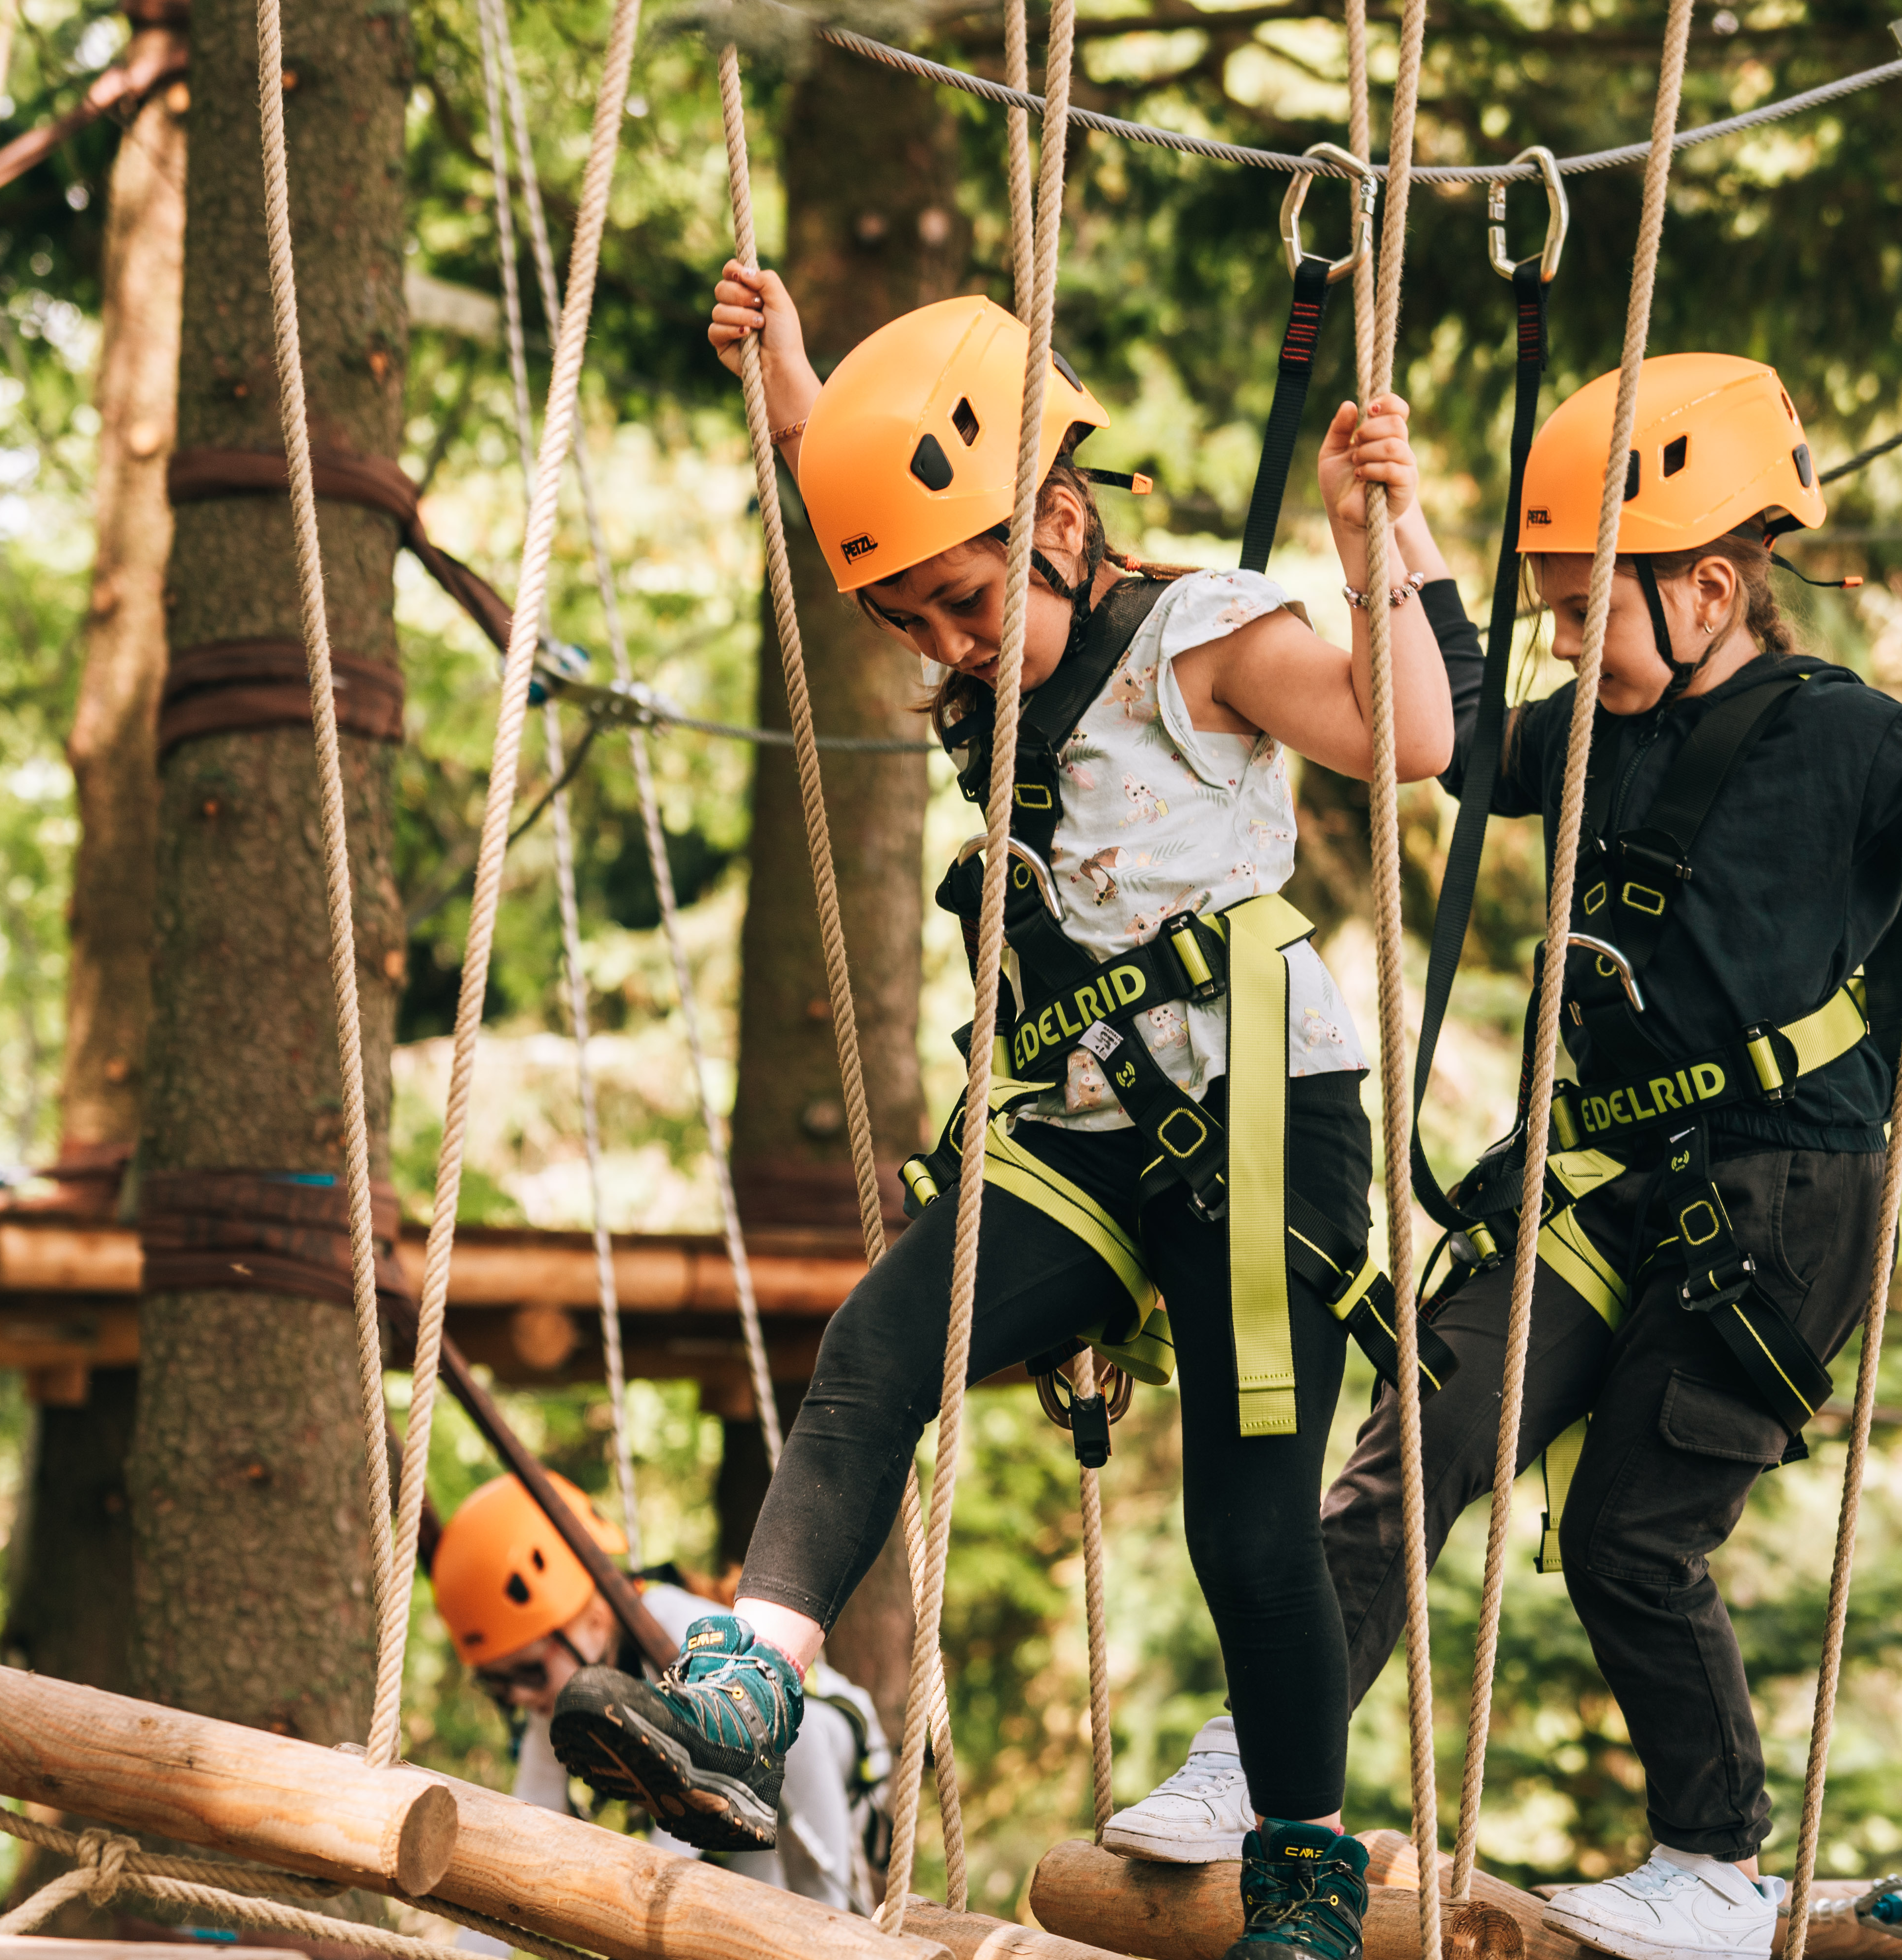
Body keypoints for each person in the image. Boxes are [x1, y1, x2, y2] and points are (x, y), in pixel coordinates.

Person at [1099, 353, 1902, 1960]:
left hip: (1788, 1199)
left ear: (1709, 587)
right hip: (1609, 1179)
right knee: (1416, 1435)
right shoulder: (1589, 730)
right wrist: (1394, 543)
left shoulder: (1851, 743)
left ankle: (1711, 1859)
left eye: (1586, 610)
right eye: (1552, 610)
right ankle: (1269, 1760)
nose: (1567, 638)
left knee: (1635, 1535)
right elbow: (1461, 735)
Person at [545, 264, 1460, 1960]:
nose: (952, 647)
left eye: (969, 604)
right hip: (1087, 1123)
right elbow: (874, 483)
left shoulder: (1203, 636)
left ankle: (1310, 1876)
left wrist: (1372, 547)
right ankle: (748, 1689)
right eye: (913, 625)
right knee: (882, 1346)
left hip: (1264, 1114)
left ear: (1059, 518)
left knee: (1249, 1527)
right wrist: (793, 383)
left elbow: (1407, 736)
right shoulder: (983, 630)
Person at [428, 1473, 890, 1924]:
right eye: (498, 1685)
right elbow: (520, 1848)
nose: (522, 1697)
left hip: (817, 1751)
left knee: (780, 1906)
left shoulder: (673, 1623)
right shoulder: (554, 1707)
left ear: (591, 1621)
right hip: (741, 1800)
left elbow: (788, 1740)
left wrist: (823, 1912)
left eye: (530, 1671)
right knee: (736, 1911)